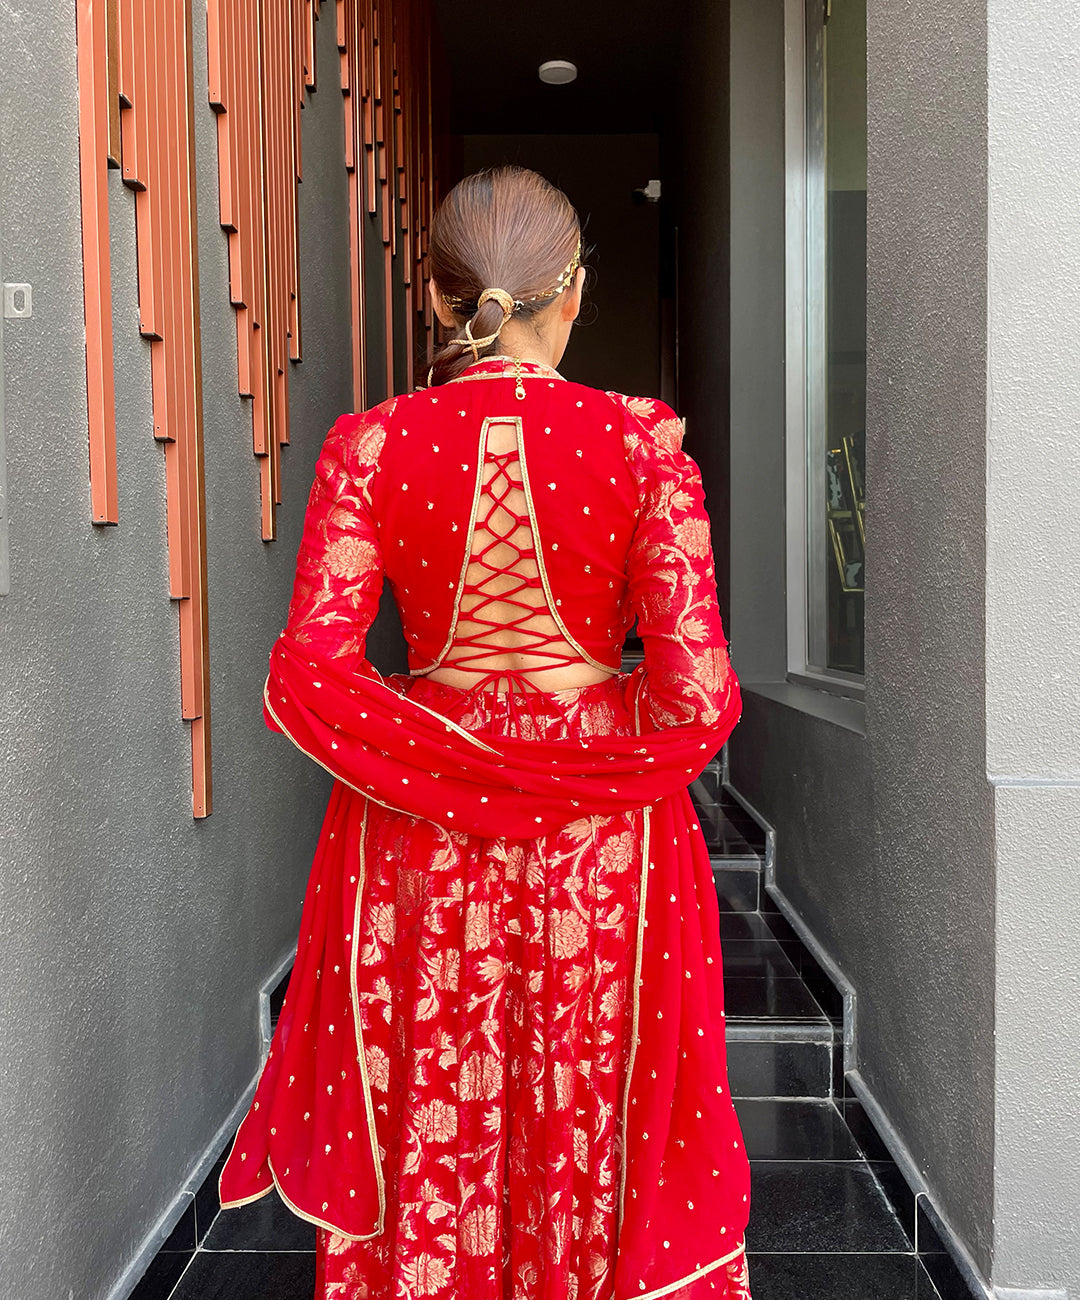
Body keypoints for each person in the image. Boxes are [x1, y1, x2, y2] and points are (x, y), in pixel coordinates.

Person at [219, 166, 753, 1300]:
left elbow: (311, 673)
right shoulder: (642, 445)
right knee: (588, 1104)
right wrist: (588, 747)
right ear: (574, 292)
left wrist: (439, 753)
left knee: (439, 1095)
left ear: (433, 296)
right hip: (604, 845)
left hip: (417, 838)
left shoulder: (369, 447)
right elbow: (696, 697)